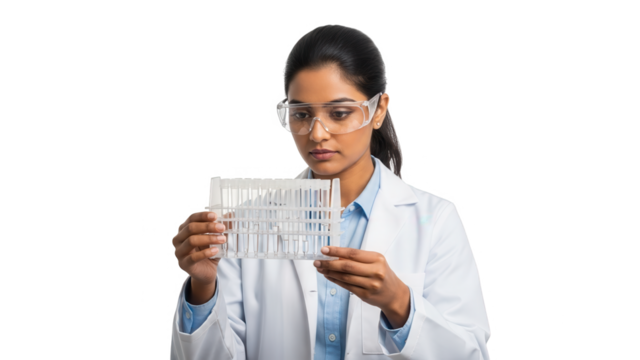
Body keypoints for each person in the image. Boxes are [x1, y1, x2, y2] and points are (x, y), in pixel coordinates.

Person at [170, 24, 490, 360]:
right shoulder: (243, 224)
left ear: (378, 110)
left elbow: (471, 354)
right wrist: (202, 288)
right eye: (302, 114)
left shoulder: (435, 219)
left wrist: (399, 303)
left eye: (339, 113)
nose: (317, 133)